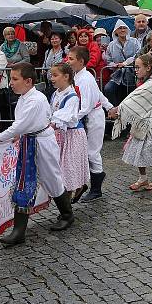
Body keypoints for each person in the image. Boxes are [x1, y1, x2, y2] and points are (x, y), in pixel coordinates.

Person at [0, 63, 75, 245]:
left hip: (42, 143)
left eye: (15, 79)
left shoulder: (36, 100)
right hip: (29, 142)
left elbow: (20, 125)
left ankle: (67, 214)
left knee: (52, 179)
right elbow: (21, 125)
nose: (11, 83)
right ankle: (19, 231)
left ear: (28, 81)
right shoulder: (24, 97)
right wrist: (15, 136)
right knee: (24, 182)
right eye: (11, 79)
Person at [108, 53, 152, 190]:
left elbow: (132, 100)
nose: (136, 70)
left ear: (148, 67)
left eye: (138, 67)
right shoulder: (143, 82)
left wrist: (119, 109)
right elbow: (136, 99)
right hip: (143, 120)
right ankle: (143, 178)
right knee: (138, 148)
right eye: (135, 67)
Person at [68, 46, 113, 202]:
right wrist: (109, 106)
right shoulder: (77, 76)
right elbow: (99, 93)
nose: (68, 61)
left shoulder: (86, 79)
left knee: (92, 152)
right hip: (86, 116)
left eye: (71, 59)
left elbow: (87, 105)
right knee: (83, 151)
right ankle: (85, 183)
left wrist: (71, 118)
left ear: (81, 61)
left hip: (93, 117)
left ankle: (96, 188)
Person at [48, 62, 90, 204]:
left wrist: (52, 123)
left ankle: (67, 207)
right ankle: (76, 189)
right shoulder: (55, 94)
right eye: (51, 75)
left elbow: (65, 115)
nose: (51, 78)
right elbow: (51, 111)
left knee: (68, 167)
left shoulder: (72, 96)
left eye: (55, 75)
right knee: (61, 167)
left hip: (72, 135)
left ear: (66, 77)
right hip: (60, 135)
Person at [103, 20, 141, 106]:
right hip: (117, 76)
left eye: (124, 28)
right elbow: (108, 61)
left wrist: (125, 63)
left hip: (132, 75)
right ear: (115, 31)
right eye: (120, 28)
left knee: (132, 92)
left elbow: (138, 55)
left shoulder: (134, 42)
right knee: (108, 89)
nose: (122, 30)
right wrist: (114, 65)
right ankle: (114, 110)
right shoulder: (111, 45)